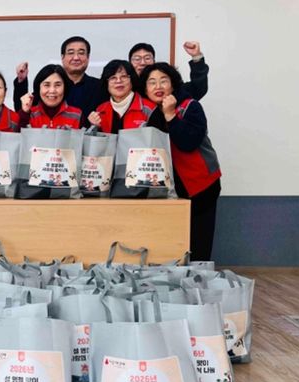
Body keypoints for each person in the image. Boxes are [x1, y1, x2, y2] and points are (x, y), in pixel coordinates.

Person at [140, 62, 222, 260]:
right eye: (152, 82)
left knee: (198, 242)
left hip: (200, 184)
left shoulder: (190, 106)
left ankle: (199, 276)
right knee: (173, 241)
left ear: (173, 84)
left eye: (163, 81)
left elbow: (187, 143)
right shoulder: (152, 114)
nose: (158, 86)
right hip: (172, 187)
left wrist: (170, 115)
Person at [13, 36, 104, 124]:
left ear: (88, 57)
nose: (76, 58)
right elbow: (23, 109)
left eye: (81, 53)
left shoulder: (100, 87)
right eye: (71, 53)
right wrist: (21, 80)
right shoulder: (50, 89)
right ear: (62, 57)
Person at [87, 59, 165, 133]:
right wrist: (93, 127)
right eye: (113, 78)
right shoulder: (100, 110)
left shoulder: (149, 109)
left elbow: (158, 140)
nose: (118, 81)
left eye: (124, 76)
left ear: (132, 80)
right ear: (106, 83)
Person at [129, 41, 210, 101]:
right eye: (137, 59)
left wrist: (196, 57)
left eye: (147, 58)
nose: (142, 63)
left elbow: (198, 89)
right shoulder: (126, 88)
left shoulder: (169, 85)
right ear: (129, 63)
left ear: (154, 61)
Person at [18, 64, 82, 129]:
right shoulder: (29, 114)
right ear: (38, 88)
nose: (52, 91)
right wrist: (25, 113)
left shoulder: (77, 115)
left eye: (57, 85)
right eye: (46, 85)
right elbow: (20, 134)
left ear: (65, 87)